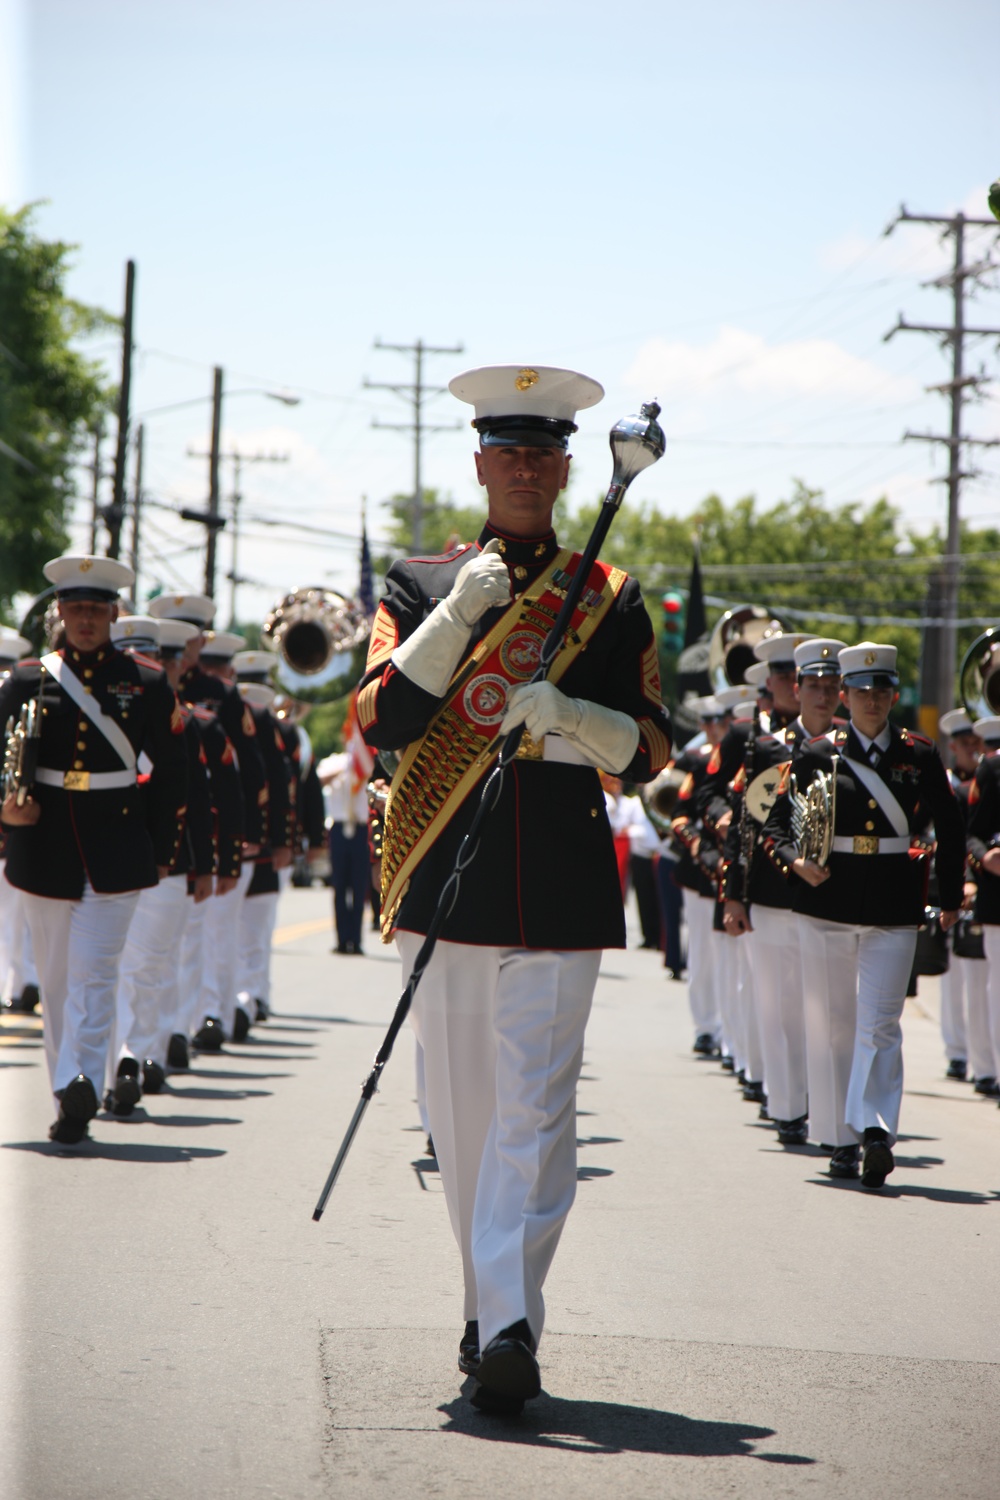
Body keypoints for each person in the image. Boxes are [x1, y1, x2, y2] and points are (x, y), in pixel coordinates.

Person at [357, 364, 671, 1412]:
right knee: (461, 1116)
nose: (528, 469)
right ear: (481, 462)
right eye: (510, 452)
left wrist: (570, 717)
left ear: (570, 467)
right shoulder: (413, 580)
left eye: (546, 453)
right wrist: (454, 617)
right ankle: (490, 1299)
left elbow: (653, 751)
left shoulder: (612, 599)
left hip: (563, 876)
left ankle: (506, 1327)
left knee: (535, 1118)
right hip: (447, 869)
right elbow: (383, 722)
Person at [762, 642, 964, 1188]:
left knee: (880, 1021)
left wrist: (948, 899)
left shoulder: (919, 754)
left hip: (893, 904)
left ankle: (875, 1131)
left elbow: (950, 825)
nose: (871, 700)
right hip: (826, 902)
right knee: (831, 1025)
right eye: (860, 691)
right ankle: (839, 1139)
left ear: (894, 695)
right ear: (845, 696)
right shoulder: (816, 753)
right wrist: (794, 863)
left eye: (881, 691)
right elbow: (775, 825)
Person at [0, 556, 187, 1143]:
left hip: (118, 843)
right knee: (56, 981)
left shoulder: (148, 683)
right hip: (43, 844)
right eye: (75, 609)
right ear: (60, 612)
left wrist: (162, 851)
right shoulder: (28, 680)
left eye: (96, 610)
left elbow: (172, 775)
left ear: (113, 614)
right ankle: (68, 1089)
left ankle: (78, 1080)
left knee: (96, 973)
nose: (85, 620)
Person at [722, 637, 846, 1144]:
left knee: (826, 1009)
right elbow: (745, 824)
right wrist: (734, 893)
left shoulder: (847, 745)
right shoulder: (767, 746)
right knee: (777, 1005)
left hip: (831, 894)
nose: (819, 695)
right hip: (773, 892)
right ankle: (788, 1106)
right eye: (810, 686)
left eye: (828, 686)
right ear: (794, 688)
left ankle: (823, 1105)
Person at [936, 708, 987, 1084]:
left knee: (981, 980)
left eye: (977, 742)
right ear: (953, 747)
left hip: (983, 886)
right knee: (955, 978)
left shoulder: (988, 780)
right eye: (966, 743)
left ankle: (983, 1058)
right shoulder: (947, 784)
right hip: (952, 889)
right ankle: (957, 1051)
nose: (972, 749)